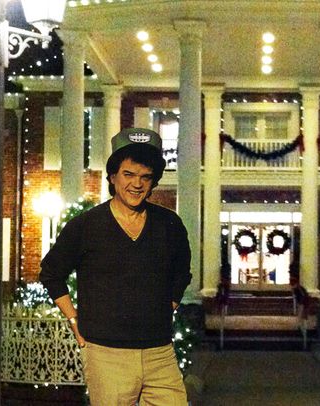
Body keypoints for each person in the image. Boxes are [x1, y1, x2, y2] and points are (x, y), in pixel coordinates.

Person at [39, 128, 192, 406]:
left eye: (145, 177)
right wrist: (74, 320)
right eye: (129, 174)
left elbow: (183, 272)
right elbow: (51, 272)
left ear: (154, 181)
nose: (137, 184)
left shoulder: (169, 224)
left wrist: (166, 304)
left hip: (160, 354)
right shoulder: (86, 226)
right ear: (112, 177)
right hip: (107, 355)